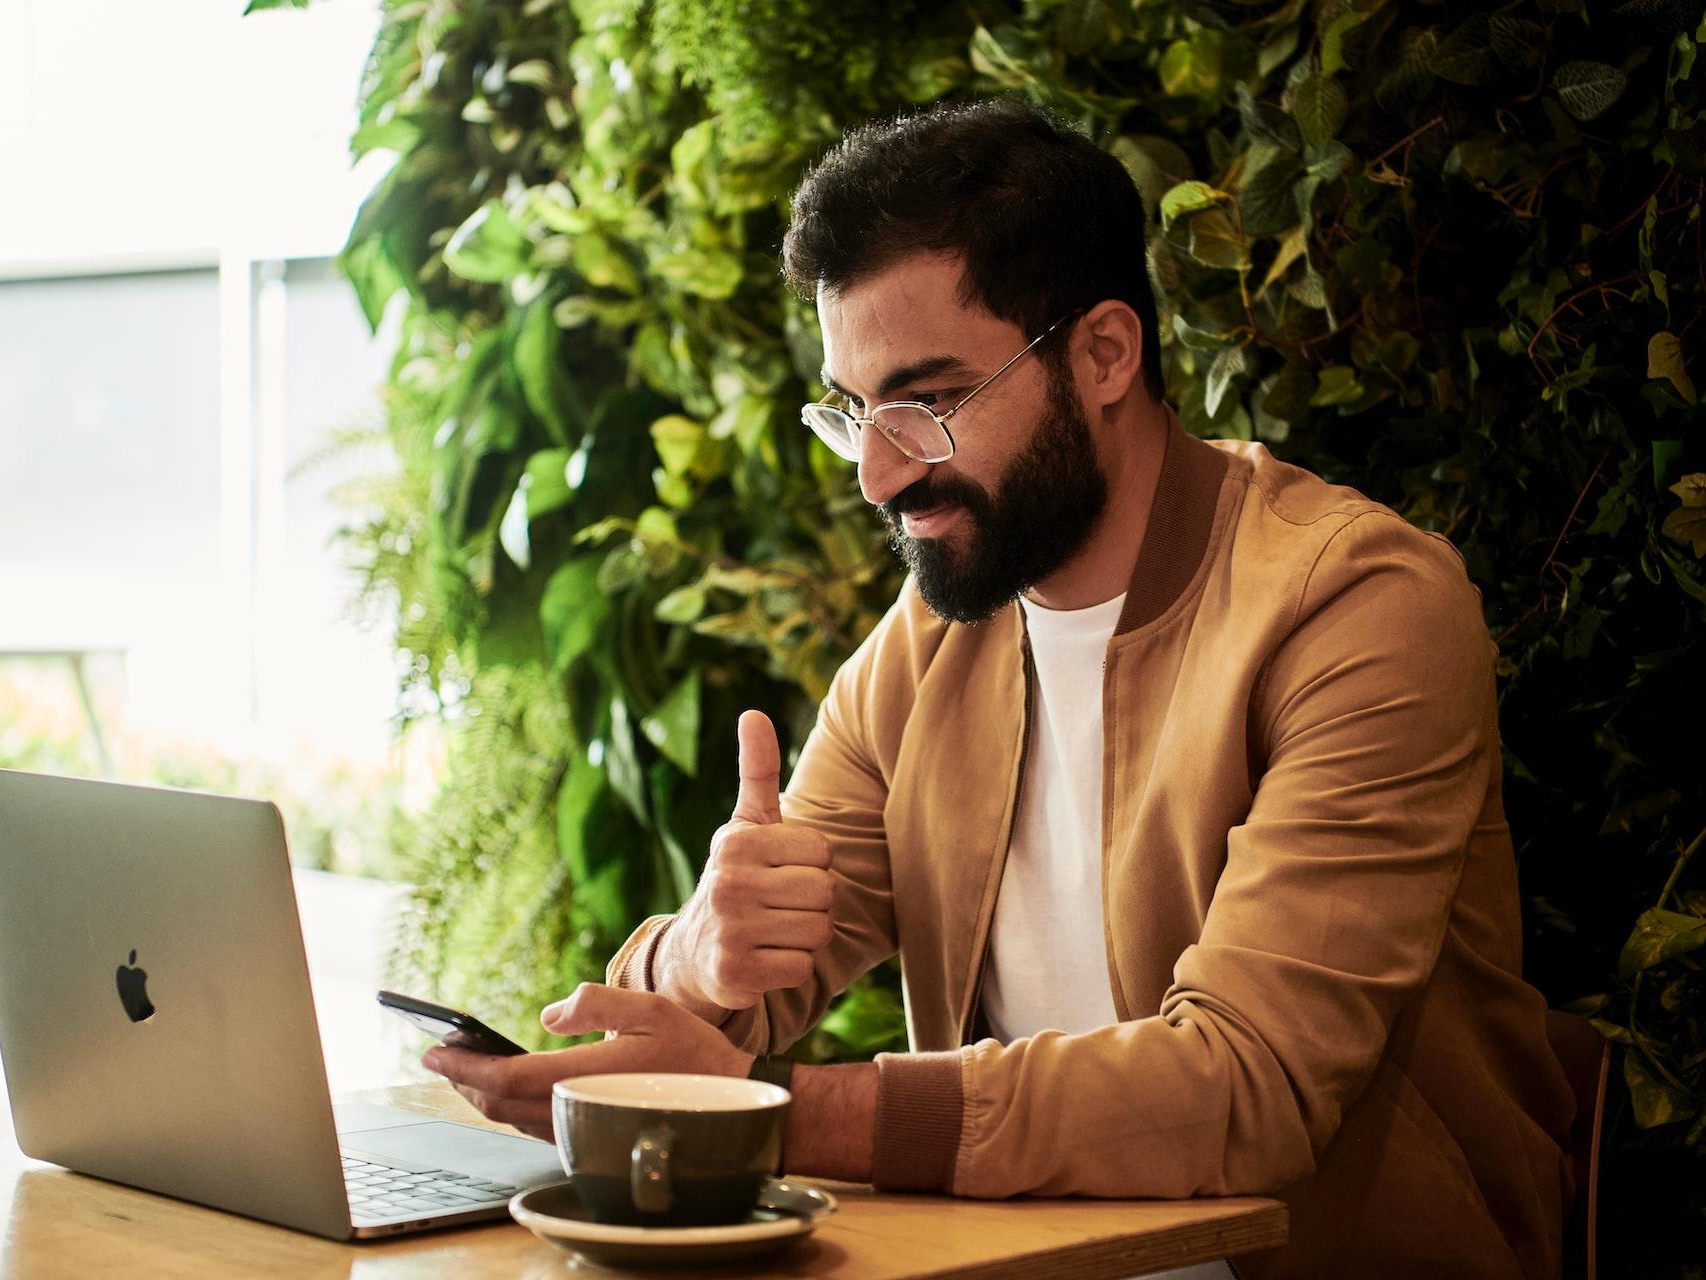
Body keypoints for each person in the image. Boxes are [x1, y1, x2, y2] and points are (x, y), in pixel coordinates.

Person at [422, 98, 1575, 1278]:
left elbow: (1246, 1088)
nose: (878, 472)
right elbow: (717, 1011)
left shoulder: (1356, 605)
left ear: (1105, 353)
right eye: (855, 411)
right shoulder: (933, 642)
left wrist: (773, 1106)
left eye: (929, 402)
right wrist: (704, 958)